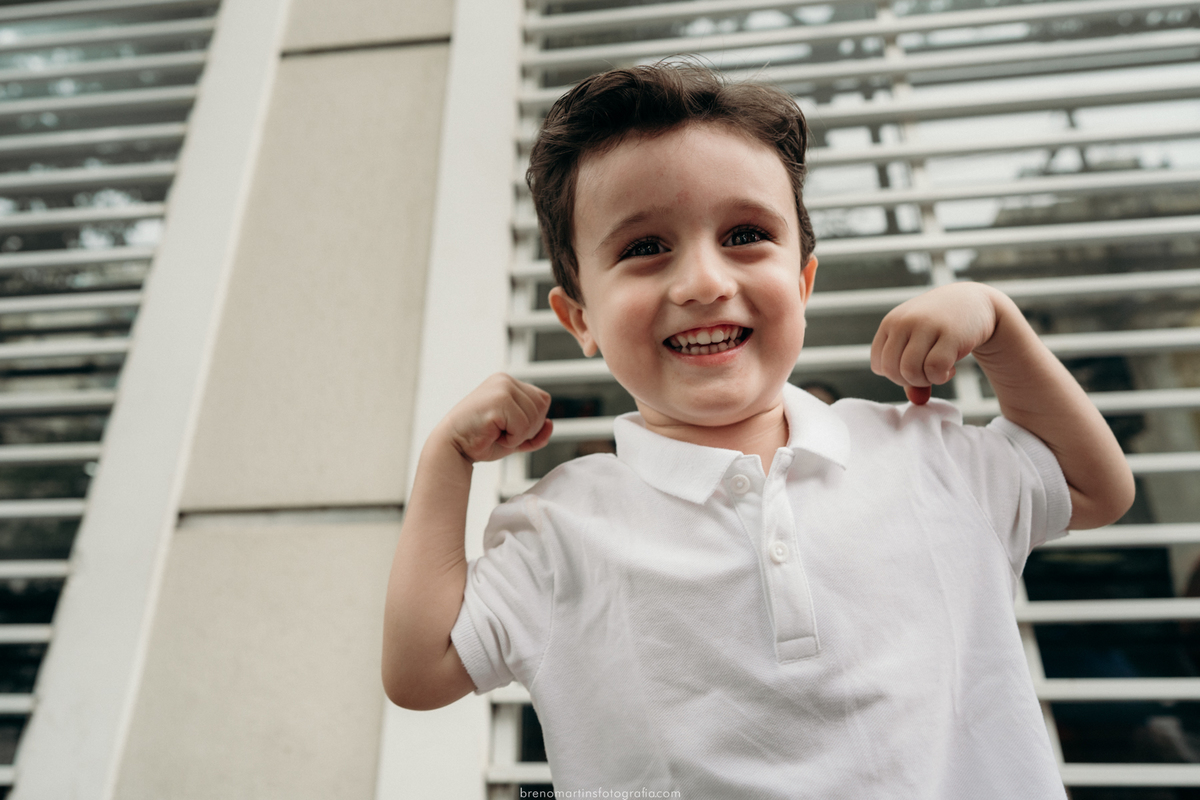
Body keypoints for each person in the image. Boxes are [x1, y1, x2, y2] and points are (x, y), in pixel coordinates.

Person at [382, 63, 1135, 797]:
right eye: (644, 248)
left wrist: (1002, 330)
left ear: (804, 282)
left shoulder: (921, 450)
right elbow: (422, 670)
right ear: (580, 318)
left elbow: (1094, 488)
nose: (706, 282)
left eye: (745, 234)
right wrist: (446, 458)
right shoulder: (561, 529)